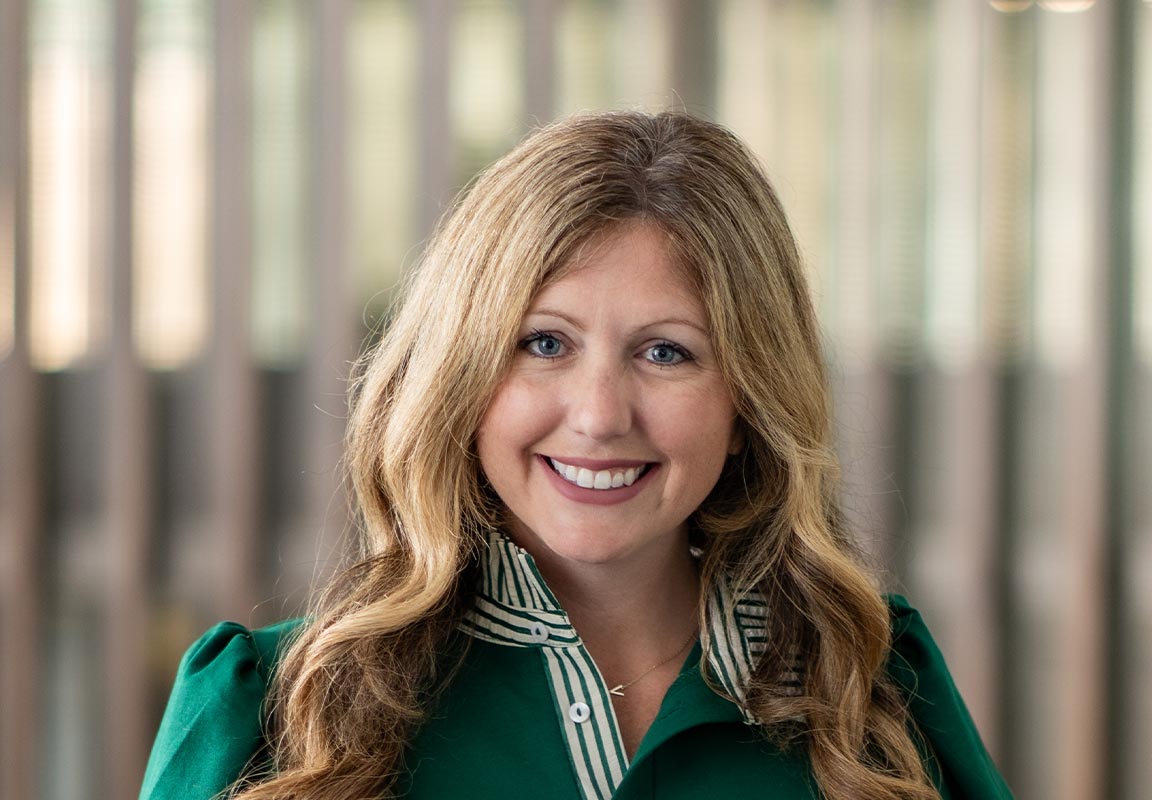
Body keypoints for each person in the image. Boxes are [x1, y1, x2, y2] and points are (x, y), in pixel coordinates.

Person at [140, 111, 1012, 800]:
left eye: (666, 352)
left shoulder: (878, 705)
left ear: (748, 400)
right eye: (544, 344)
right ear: (460, 376)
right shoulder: (275, 718)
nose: (598, 416)